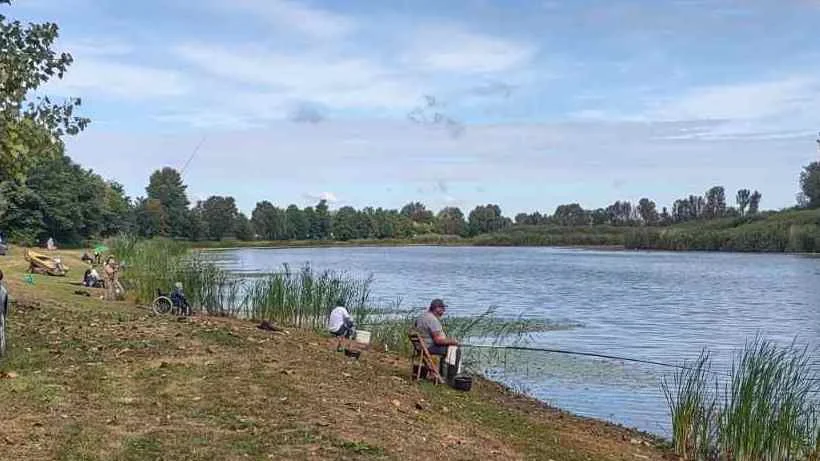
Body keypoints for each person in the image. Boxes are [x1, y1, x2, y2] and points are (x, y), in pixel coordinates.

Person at [414, 298, 462, 381]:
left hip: (420, 347)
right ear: (437, 308)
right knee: (455, 350)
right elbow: (438, 341)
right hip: (429, 347)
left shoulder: (421, 316)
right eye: (442, 308)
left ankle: (442, 373)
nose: (444, 311)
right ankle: (451, 377)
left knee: (449, 348)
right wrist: (453, 341)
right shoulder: (432, 319)